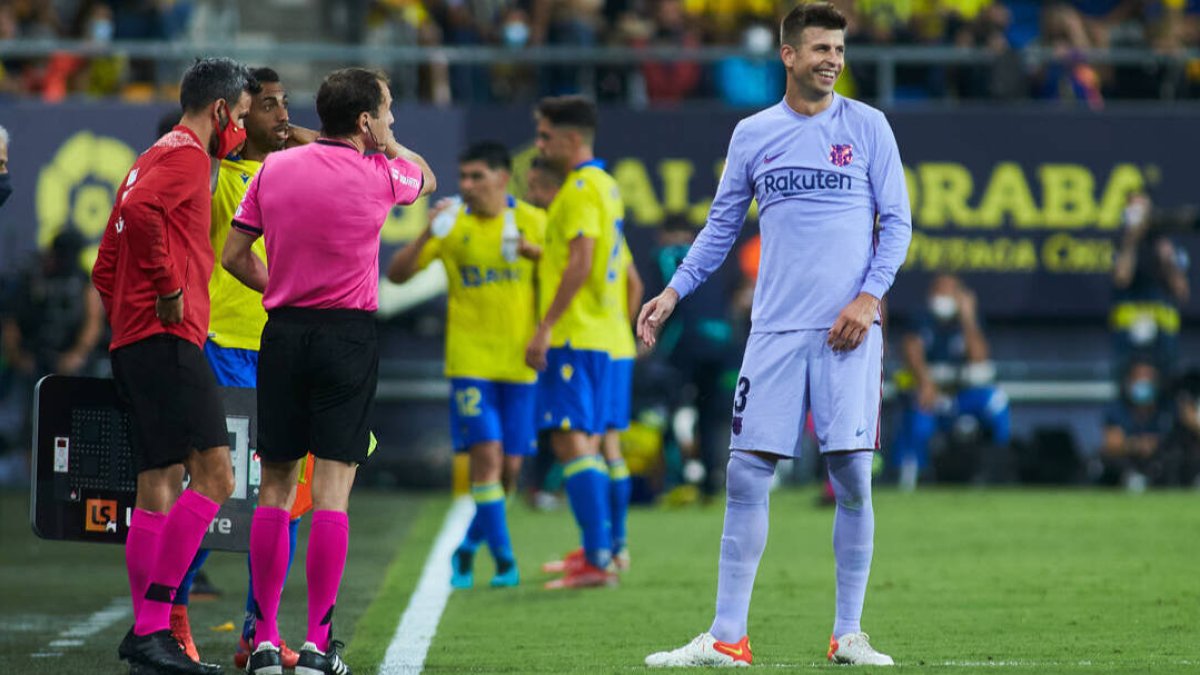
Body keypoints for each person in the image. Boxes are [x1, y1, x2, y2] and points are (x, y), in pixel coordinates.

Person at [639, 3, 911, 667]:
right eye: (819, 48)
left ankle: (848, 634)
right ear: (788, 55)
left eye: (838, 49)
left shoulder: (868, 126)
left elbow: (897, 225)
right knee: (746, 472)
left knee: (851, 475)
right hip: (775, 330)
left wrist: (868, 299)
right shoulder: (755, 133)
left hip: (850, 330)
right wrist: (673, 293)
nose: (832, 60)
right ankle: (728, 635)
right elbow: (721, 227)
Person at [222, 67, 435, 675]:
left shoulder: (273, 169)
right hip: (347, 336)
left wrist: (279, 289)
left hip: (283, 332)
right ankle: (317, 647)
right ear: (365, 121)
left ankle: (262, 642)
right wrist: (388, 143)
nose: (392, 123)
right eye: (386, 113)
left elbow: (235, 255)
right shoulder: (380, 172)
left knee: (274, 487)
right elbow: (426, 176)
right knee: (332, 491)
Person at [92, 56, 254, 675]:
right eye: (239, 115)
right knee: (216, 477)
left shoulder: (148, 156)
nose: (239, 126)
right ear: (220, 110)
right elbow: (139, 221)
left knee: (158, 484)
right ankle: (155, 625)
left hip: (137, 341)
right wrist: (164, 290)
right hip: (169, 338)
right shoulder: (188, 156)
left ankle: (148, 642)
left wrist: (126, 316)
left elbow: (105, 262)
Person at [161, 66, 313, 670]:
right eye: (269, 106)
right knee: (215, 492)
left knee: (282, 498)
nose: (282, 116)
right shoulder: (220, 175)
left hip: (283, 348)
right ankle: (170, 615)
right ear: (239, 116)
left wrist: (286, 127)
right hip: (225, 345)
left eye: (286, 105)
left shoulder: (300, 173)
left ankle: (260, 631)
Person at [387, 141, 545, 590]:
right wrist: (427, 232)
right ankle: (505, 561)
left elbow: (563, 278)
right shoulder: (453, 225)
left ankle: (466, 547)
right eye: (465, 177)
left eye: (477, 176)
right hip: (471, 362)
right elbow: (398, 275)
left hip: (520, 365)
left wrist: (540, 259)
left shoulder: (532, 222)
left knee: (510, 471)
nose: (468, 185)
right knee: (489, 461)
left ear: (501, 177)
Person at [524, 95, 626, 590]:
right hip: (601, 334)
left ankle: (597, 558)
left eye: (545, 136)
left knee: (573, 441)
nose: (540, 146)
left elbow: (581, 263)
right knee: (590, 441)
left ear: (570, 139)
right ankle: (600, 549)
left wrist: (544, 327)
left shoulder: (581, 188)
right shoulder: (605, 185)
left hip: (575, 334)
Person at [893, 273, 1011, 490]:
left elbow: (979, 358)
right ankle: (915, 475)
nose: (943, 297)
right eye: (939, 291)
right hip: (932, 394)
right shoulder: (921, 318)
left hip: (960, 396)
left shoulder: (966, 322)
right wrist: (926, 383)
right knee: (919, 412)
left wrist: (968, 318)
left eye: (949, 292)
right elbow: (911, 350)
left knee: (997, 401)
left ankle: (997, 468)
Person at [1111, 192, 1190, 381]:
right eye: (1133, 209)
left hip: (1164, 337)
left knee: (1170, 383)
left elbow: (1182, 292)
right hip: (1129, 336)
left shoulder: (1166, 243)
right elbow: (1121, 279)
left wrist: (1168, 261)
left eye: (1142, 209)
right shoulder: (1121, 243)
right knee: (1127, 385)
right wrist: (1131, 240)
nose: (1138, 214)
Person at [1097, 360, 1172, 490]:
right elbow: (1112, 443)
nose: (1144, 382)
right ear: (1130, 381)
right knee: (1109, 458)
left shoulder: (1166, 408)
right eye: (1139, 377)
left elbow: (1175, 439)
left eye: (1148, 377)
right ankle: (1131, 480)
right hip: (1127, 460)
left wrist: (1155, 444)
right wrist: (1137, 445)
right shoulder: (1116, 408)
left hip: (1158, 461)